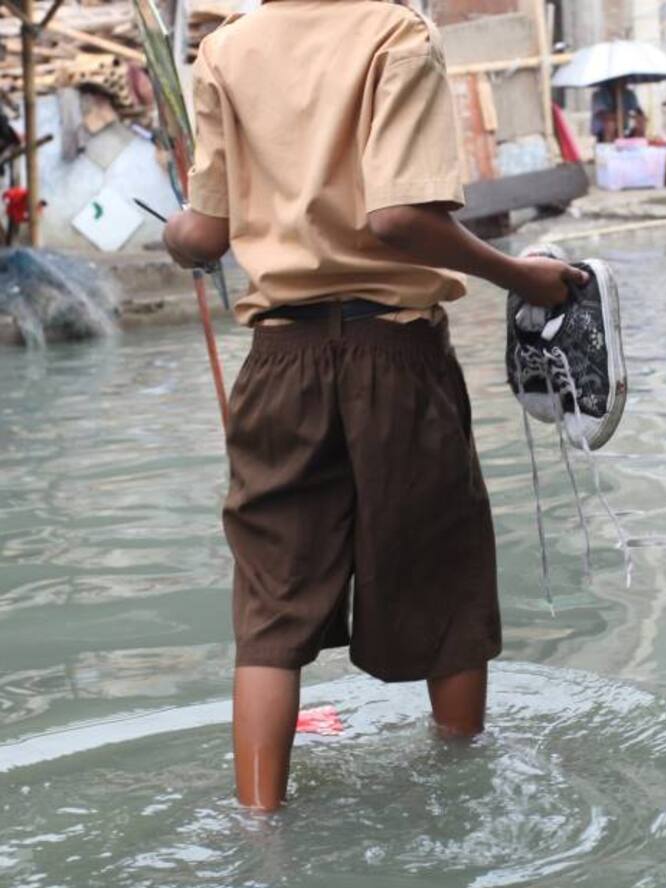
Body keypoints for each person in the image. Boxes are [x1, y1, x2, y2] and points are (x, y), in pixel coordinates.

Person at [161, 0, 586, 812]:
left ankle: (259, 829)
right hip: (395, 355)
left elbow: (203, 234)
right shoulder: (397, 33)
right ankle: (463, 808)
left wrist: (178, 238)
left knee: (269, 607)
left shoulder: (223, 52)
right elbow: (399, 220)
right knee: (443, 579)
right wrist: (522, 276)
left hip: (276, 362)